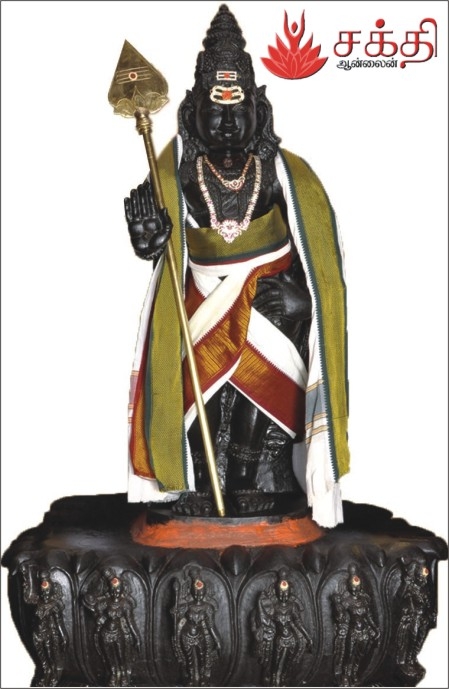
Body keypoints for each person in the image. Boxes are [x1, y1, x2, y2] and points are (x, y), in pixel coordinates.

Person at [125, 4, 349, 527]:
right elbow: (158, 241)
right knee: (198, 392)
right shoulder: (177, 172)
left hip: (272, 304)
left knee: (259, 393)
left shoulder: (283, 173)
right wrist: (148, 238)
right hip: (201, 304)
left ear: (259, 110)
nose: (227, 122)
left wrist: (302, 299)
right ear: (192, 112)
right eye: (215, 108)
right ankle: (204, 483)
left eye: (238, 107)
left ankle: (252, 484)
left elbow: (320, 258)